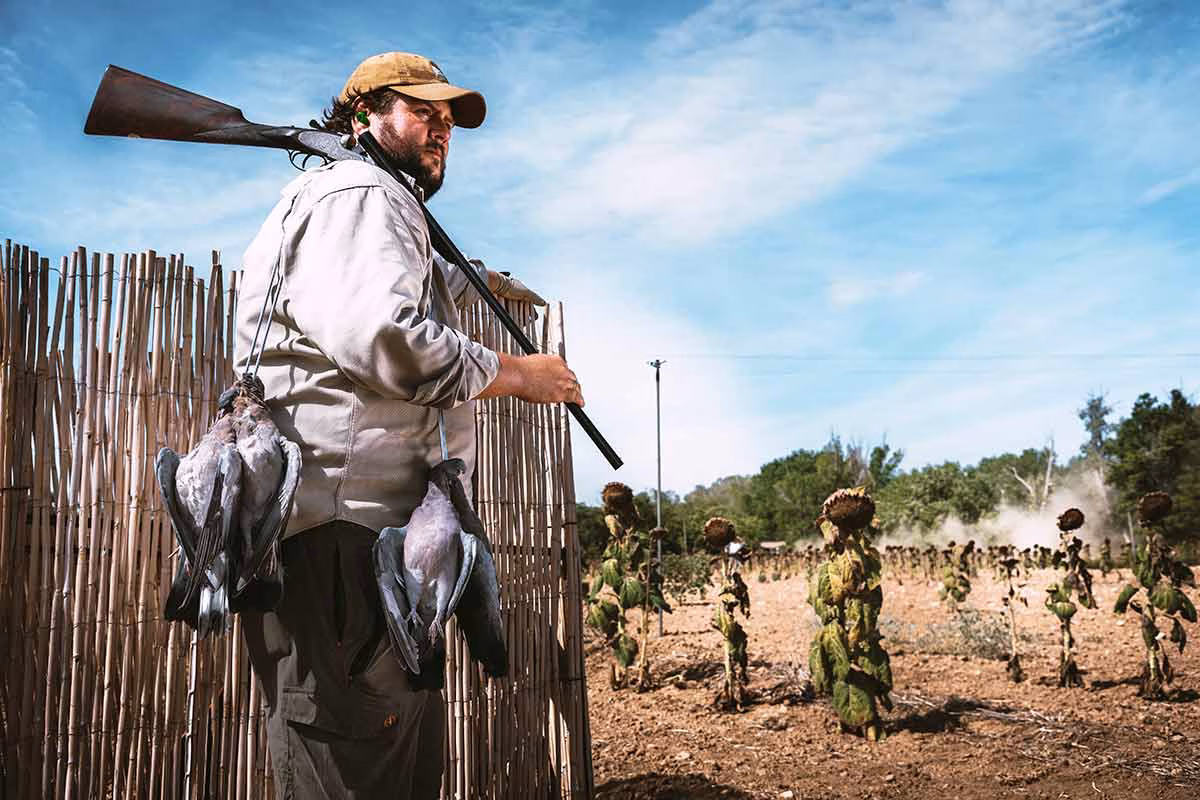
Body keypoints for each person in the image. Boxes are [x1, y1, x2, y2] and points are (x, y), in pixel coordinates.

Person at [233, 51, 583, 799]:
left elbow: (401, 289)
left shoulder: (365, 198)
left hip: (367, 544)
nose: (441, 129)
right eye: (423, 111)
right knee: (357, 764)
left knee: (386, 760)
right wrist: (522, 374)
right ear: (362, 116)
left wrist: (476, 277)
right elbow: (385, 338)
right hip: (345, 541)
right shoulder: (361, 193)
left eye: (449, 119)